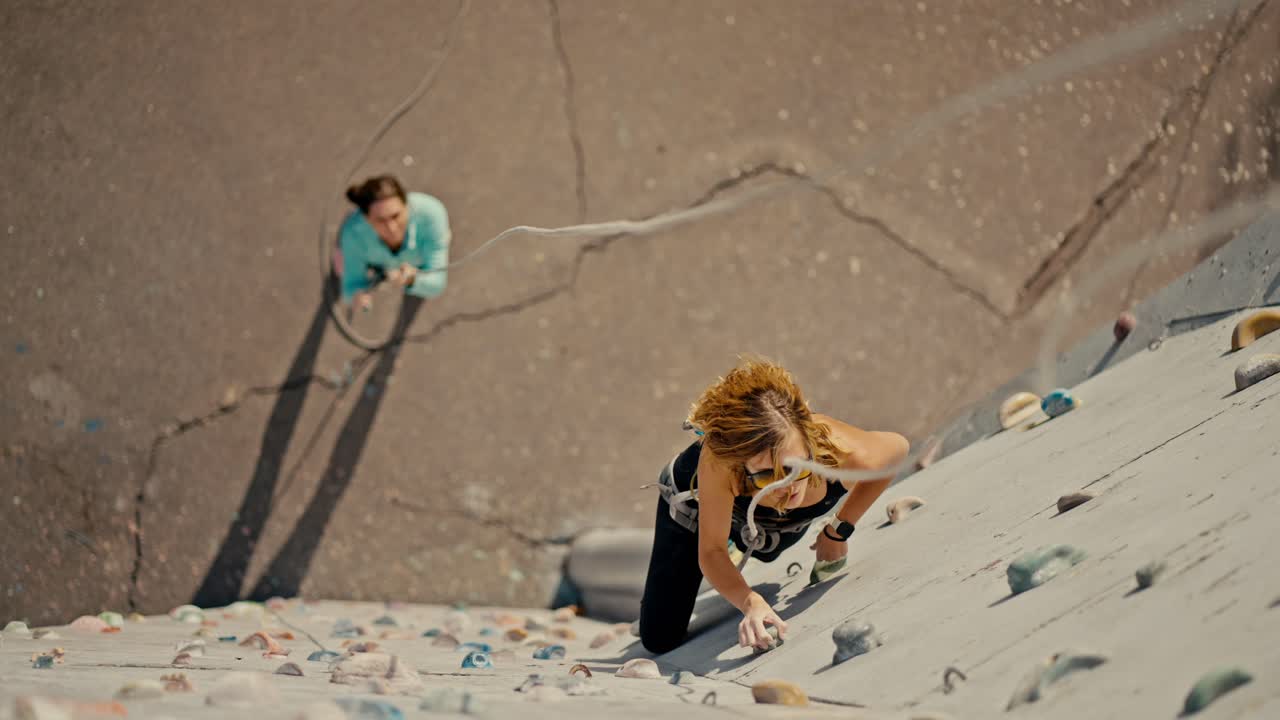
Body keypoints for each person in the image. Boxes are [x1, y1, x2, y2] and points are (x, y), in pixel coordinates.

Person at [639, 358, 908, 654]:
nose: (787, 486)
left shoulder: (839, 449)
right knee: (659, 638)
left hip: (770, 525)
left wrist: (838, 530)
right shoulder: (721, 463)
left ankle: (744, 539)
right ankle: (731, 533)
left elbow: (897, 450)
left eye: (796, 467)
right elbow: (711, 551)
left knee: (769, 551)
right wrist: (750, 601)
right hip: (694, 507)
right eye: (768, 475)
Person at [337, 174, 451, 312]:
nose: (392, 228)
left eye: (396, 216)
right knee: (342, 262)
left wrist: (413, 281)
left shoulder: (432, 214)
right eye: (380, 220)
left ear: (407, 206)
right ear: (366, 218)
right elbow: (350, 288)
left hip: (413, 263)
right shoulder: (353, 234)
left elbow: (437, 284)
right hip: (381, 264)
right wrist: (356, 297)